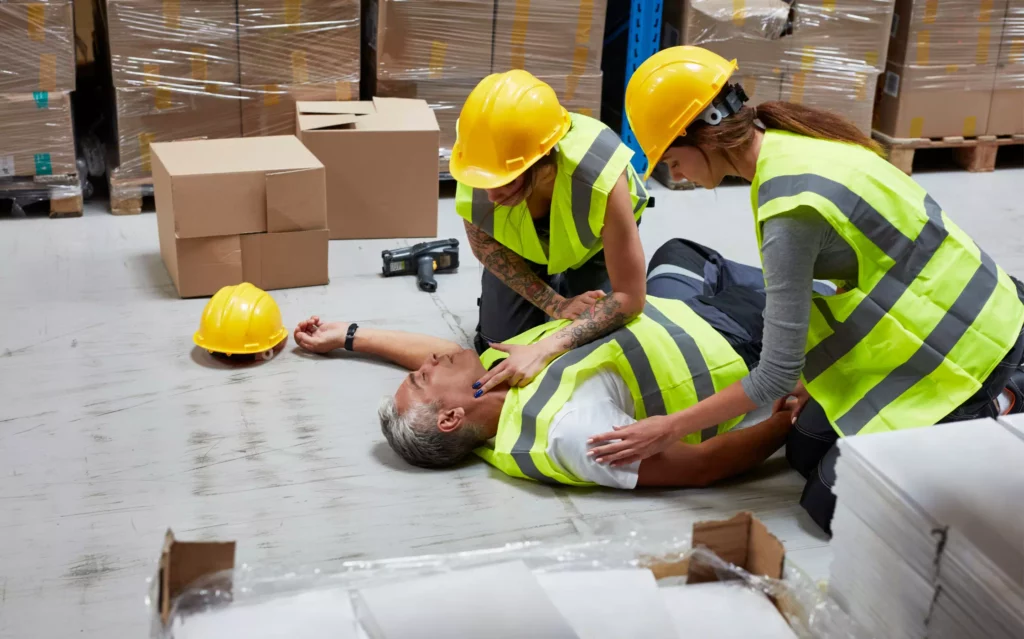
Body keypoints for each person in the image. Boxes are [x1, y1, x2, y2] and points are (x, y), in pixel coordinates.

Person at [586, 46, 1024, 531]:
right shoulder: (795, 142)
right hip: (939, 318)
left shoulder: (790, 209)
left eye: (673, 160)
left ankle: (1005, 397)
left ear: (705, 136)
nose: (677, 175)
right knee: (804, 446)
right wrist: (807, 380)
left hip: (971, 347)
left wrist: (666, 429)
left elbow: (770, 377)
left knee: (831, 506)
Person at [295, 240, 793, 489]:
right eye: (425, 376)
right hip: (732, 335)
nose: (431, 360)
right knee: (806, 286)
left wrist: (351, 336)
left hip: (665, 306)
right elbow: (703, 466)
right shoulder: (564, 433)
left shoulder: (492, 382)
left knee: (678, 251)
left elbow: (431, 350)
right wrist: (786, 421)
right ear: (450, 417)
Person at [449, 70, 651, 392]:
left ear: (545, 163)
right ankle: (545, 287)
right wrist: (554, 304)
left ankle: (568, 280)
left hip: (593, 248)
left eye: (507, 182)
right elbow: (486, 248)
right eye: (482, 181)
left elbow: (630, 297)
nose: (489, 195)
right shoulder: (482, 159)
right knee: (498, 350)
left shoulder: (601, 176)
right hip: (520, 248)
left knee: (593, 349)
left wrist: (547, 347)